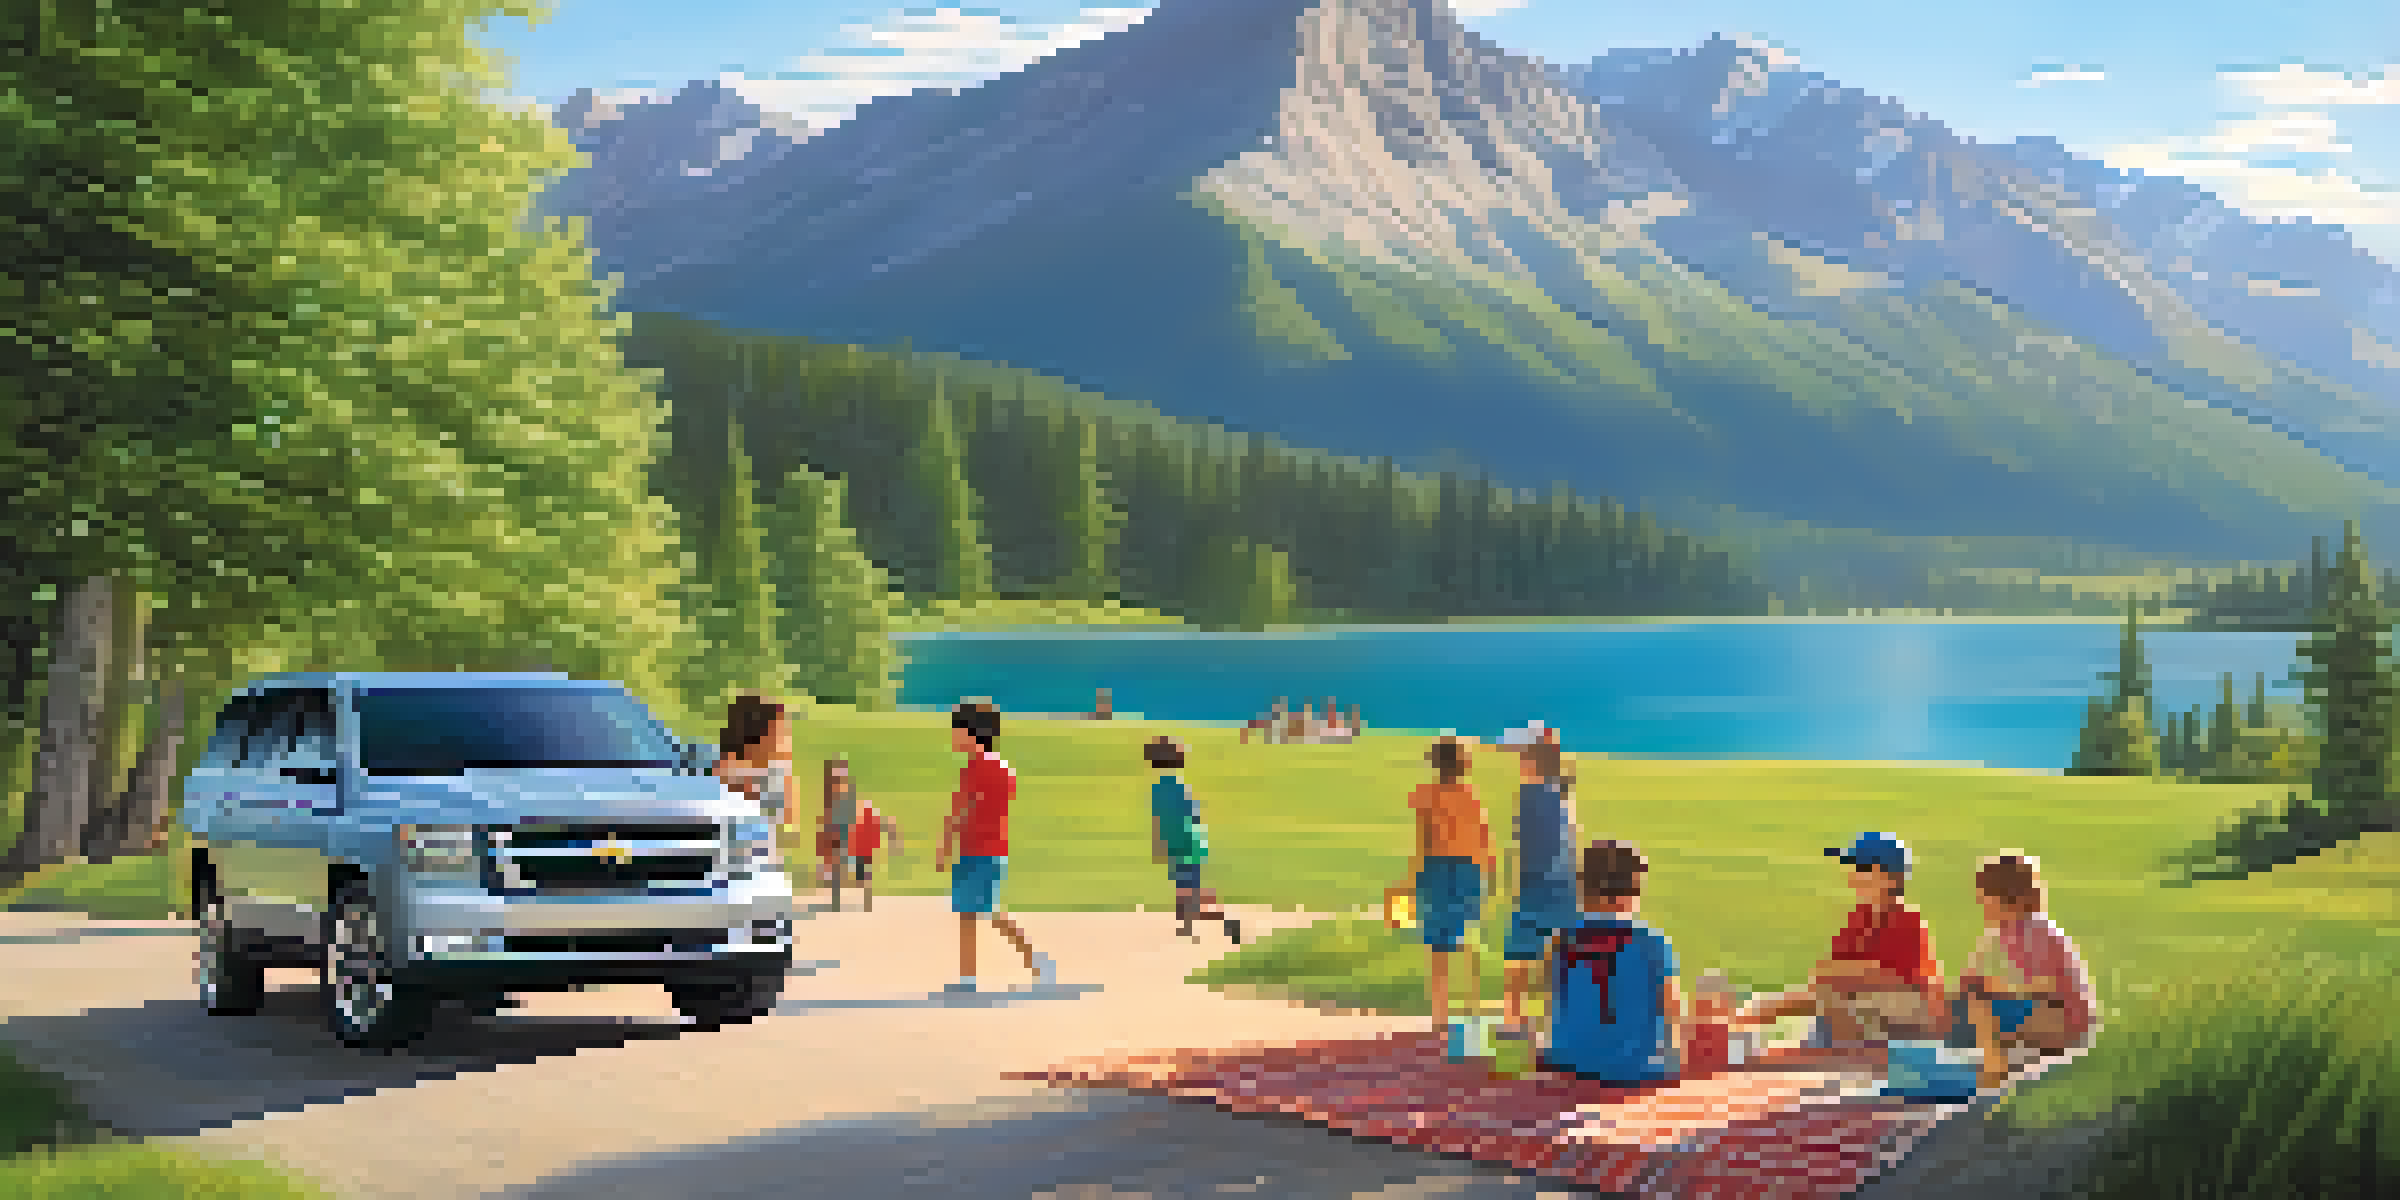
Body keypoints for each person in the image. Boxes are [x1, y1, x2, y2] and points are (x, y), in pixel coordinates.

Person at [1732, 831, 1945, 1048]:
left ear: (1888, 878)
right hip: (1868, 1018)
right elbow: (1824, 980)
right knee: (1827, 998)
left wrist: (1775, 1007)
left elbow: (1894, 987)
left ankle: (1834, 1057)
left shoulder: (1907, 922)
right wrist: (1769, 1006)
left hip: (1909, 1031)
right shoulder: (1860, 919)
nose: (1852, 875)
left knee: (1836, 994)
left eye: (1860, 868)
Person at [935, 699, 1056, 993]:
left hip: (979, 849)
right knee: (969, 912)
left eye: (956, 730)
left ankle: (1037, 959)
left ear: (971, 732)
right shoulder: (1002, 768)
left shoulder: (976, 769)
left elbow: (959, 811)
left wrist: (944, 845)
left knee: (989, 912)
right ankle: (967, 978)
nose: (953, 736)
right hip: (984, 848)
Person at [1540, 840, 1683, 1085]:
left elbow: (1556, 999)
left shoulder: (1558, 940)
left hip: (1566, 1064)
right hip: (1632, 1070)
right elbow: (1673, 1009)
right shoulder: (1653, 942)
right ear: (1631, 892)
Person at [1958, 852, 2098, 1088]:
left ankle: (1995, 1072)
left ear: (2006, 897)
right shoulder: (2006, 930)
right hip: (2045, 1014)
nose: (1979, 900)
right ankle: (1999, 1061)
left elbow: (2047, 984)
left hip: (2067, 1021)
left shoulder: (2035, 929)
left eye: (1984, 894)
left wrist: (1998, 989)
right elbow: (1972, 978)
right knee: (1973, 1003)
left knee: (1984, 1008)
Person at [1405, 734, 1494, 1031]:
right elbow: (1484, 837)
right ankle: (1471, 1011)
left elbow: (1424, 839)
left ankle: (1440, 1016)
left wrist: (1416, 877)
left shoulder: (1424, 794)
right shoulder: (1471, 794)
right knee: (1467, 938)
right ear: (1463, 764)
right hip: (1469, 869)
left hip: (1438, 868)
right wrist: (1488, 874)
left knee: (1438, 944)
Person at [1498, 722, 1580, 1038]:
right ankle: (1559, 1023)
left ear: (1532, 761)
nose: (1518, 763)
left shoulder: (1532, 794)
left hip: (1537, 887)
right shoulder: (1562, 790)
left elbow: (1527, 843)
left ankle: (1514, 1022)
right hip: (1565, 887)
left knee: (1517, 958)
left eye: (1522, 758)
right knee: (1560, 960)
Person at [1145, 736, 1241, 945]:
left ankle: (1227, 920)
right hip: (1190, 845)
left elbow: (1159, 821)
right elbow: (1192, 816)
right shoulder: (1179, 786)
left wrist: (1160, 845)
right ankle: (1187, 927)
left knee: (1190, 894)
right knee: (1186, 892)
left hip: (1181, 848)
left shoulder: (1160, 788)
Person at [713, 695, 800, 832]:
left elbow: (790, 830)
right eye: (780, 734)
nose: (787, 742)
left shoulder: (778, 774)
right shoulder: (730, 773)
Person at [845, 795, 903, 914]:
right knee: (861, 876)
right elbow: (887, 825)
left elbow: (887, 825)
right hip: (858, 852)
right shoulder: (862, 818)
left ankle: (864, 900)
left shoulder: (866, 818)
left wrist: (894, 839)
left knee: (862, 876)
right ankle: (863, 900)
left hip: (862, 852)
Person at [821, 757, 861, 909]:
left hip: (843, 829)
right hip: (836, 829)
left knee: (849, 863)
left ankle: (853, 893)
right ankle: (836, 898)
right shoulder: (831, 792)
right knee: (836, 865)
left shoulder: (845, 792)